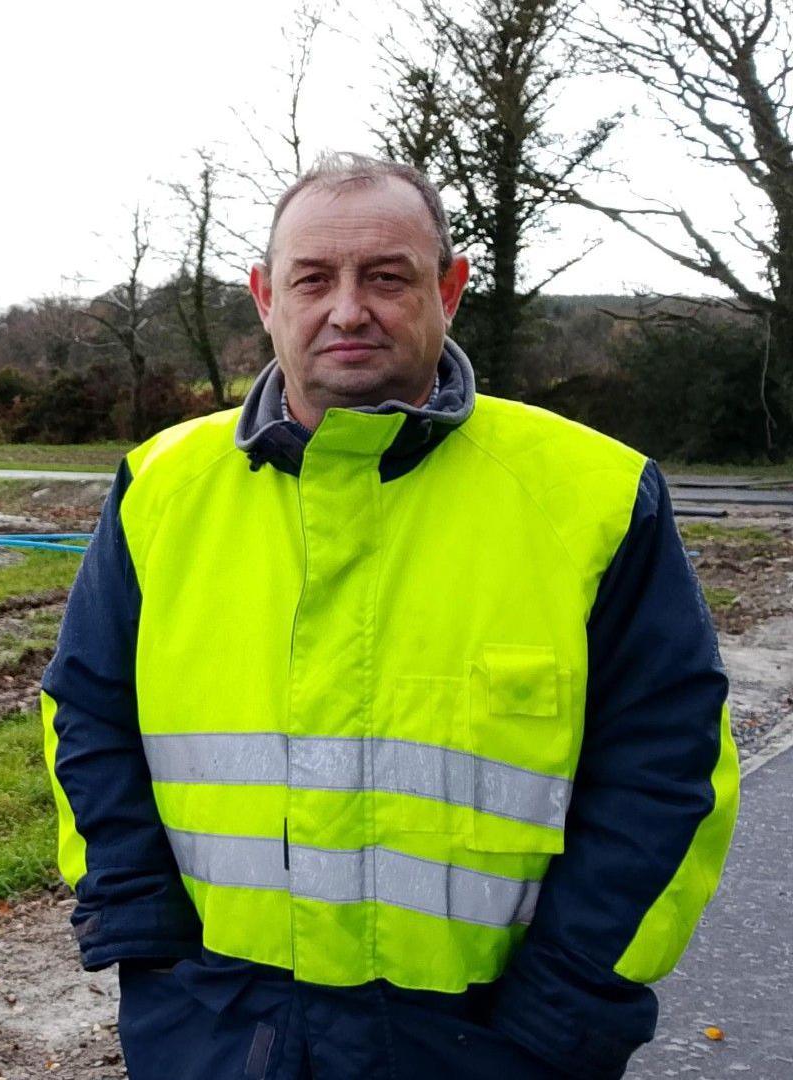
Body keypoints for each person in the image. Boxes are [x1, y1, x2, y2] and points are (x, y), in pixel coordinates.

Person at [41, 152, 738, 1079]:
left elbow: (667, 764)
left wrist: (559, 1015)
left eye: (386, 276)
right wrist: (153, 953)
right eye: (314, 279)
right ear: (263, 296)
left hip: (491, 1040)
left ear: (448, 288)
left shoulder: (594, 495)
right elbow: (87, 714)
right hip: (220, 1028)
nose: (348, 309)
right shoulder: (162, 488)